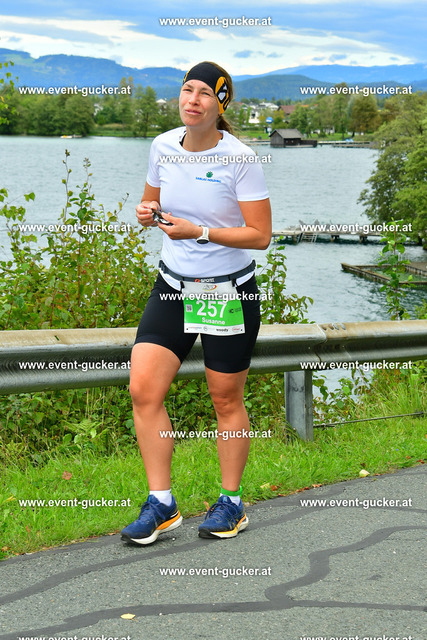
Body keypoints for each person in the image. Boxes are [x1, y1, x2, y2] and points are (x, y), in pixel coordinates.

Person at [121, 61, 271, 545]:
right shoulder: (163, 146)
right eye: (188, 89)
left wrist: (200, 232)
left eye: (205, 93)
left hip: (226, 290)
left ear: (220, 105)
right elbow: (151, 204)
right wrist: (147, 212)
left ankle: (231, 503)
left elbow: (260, 235)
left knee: (225, 399)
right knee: (143, 390)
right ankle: (161, 504)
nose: (193, 99)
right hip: (172, 285)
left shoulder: (240, 158)